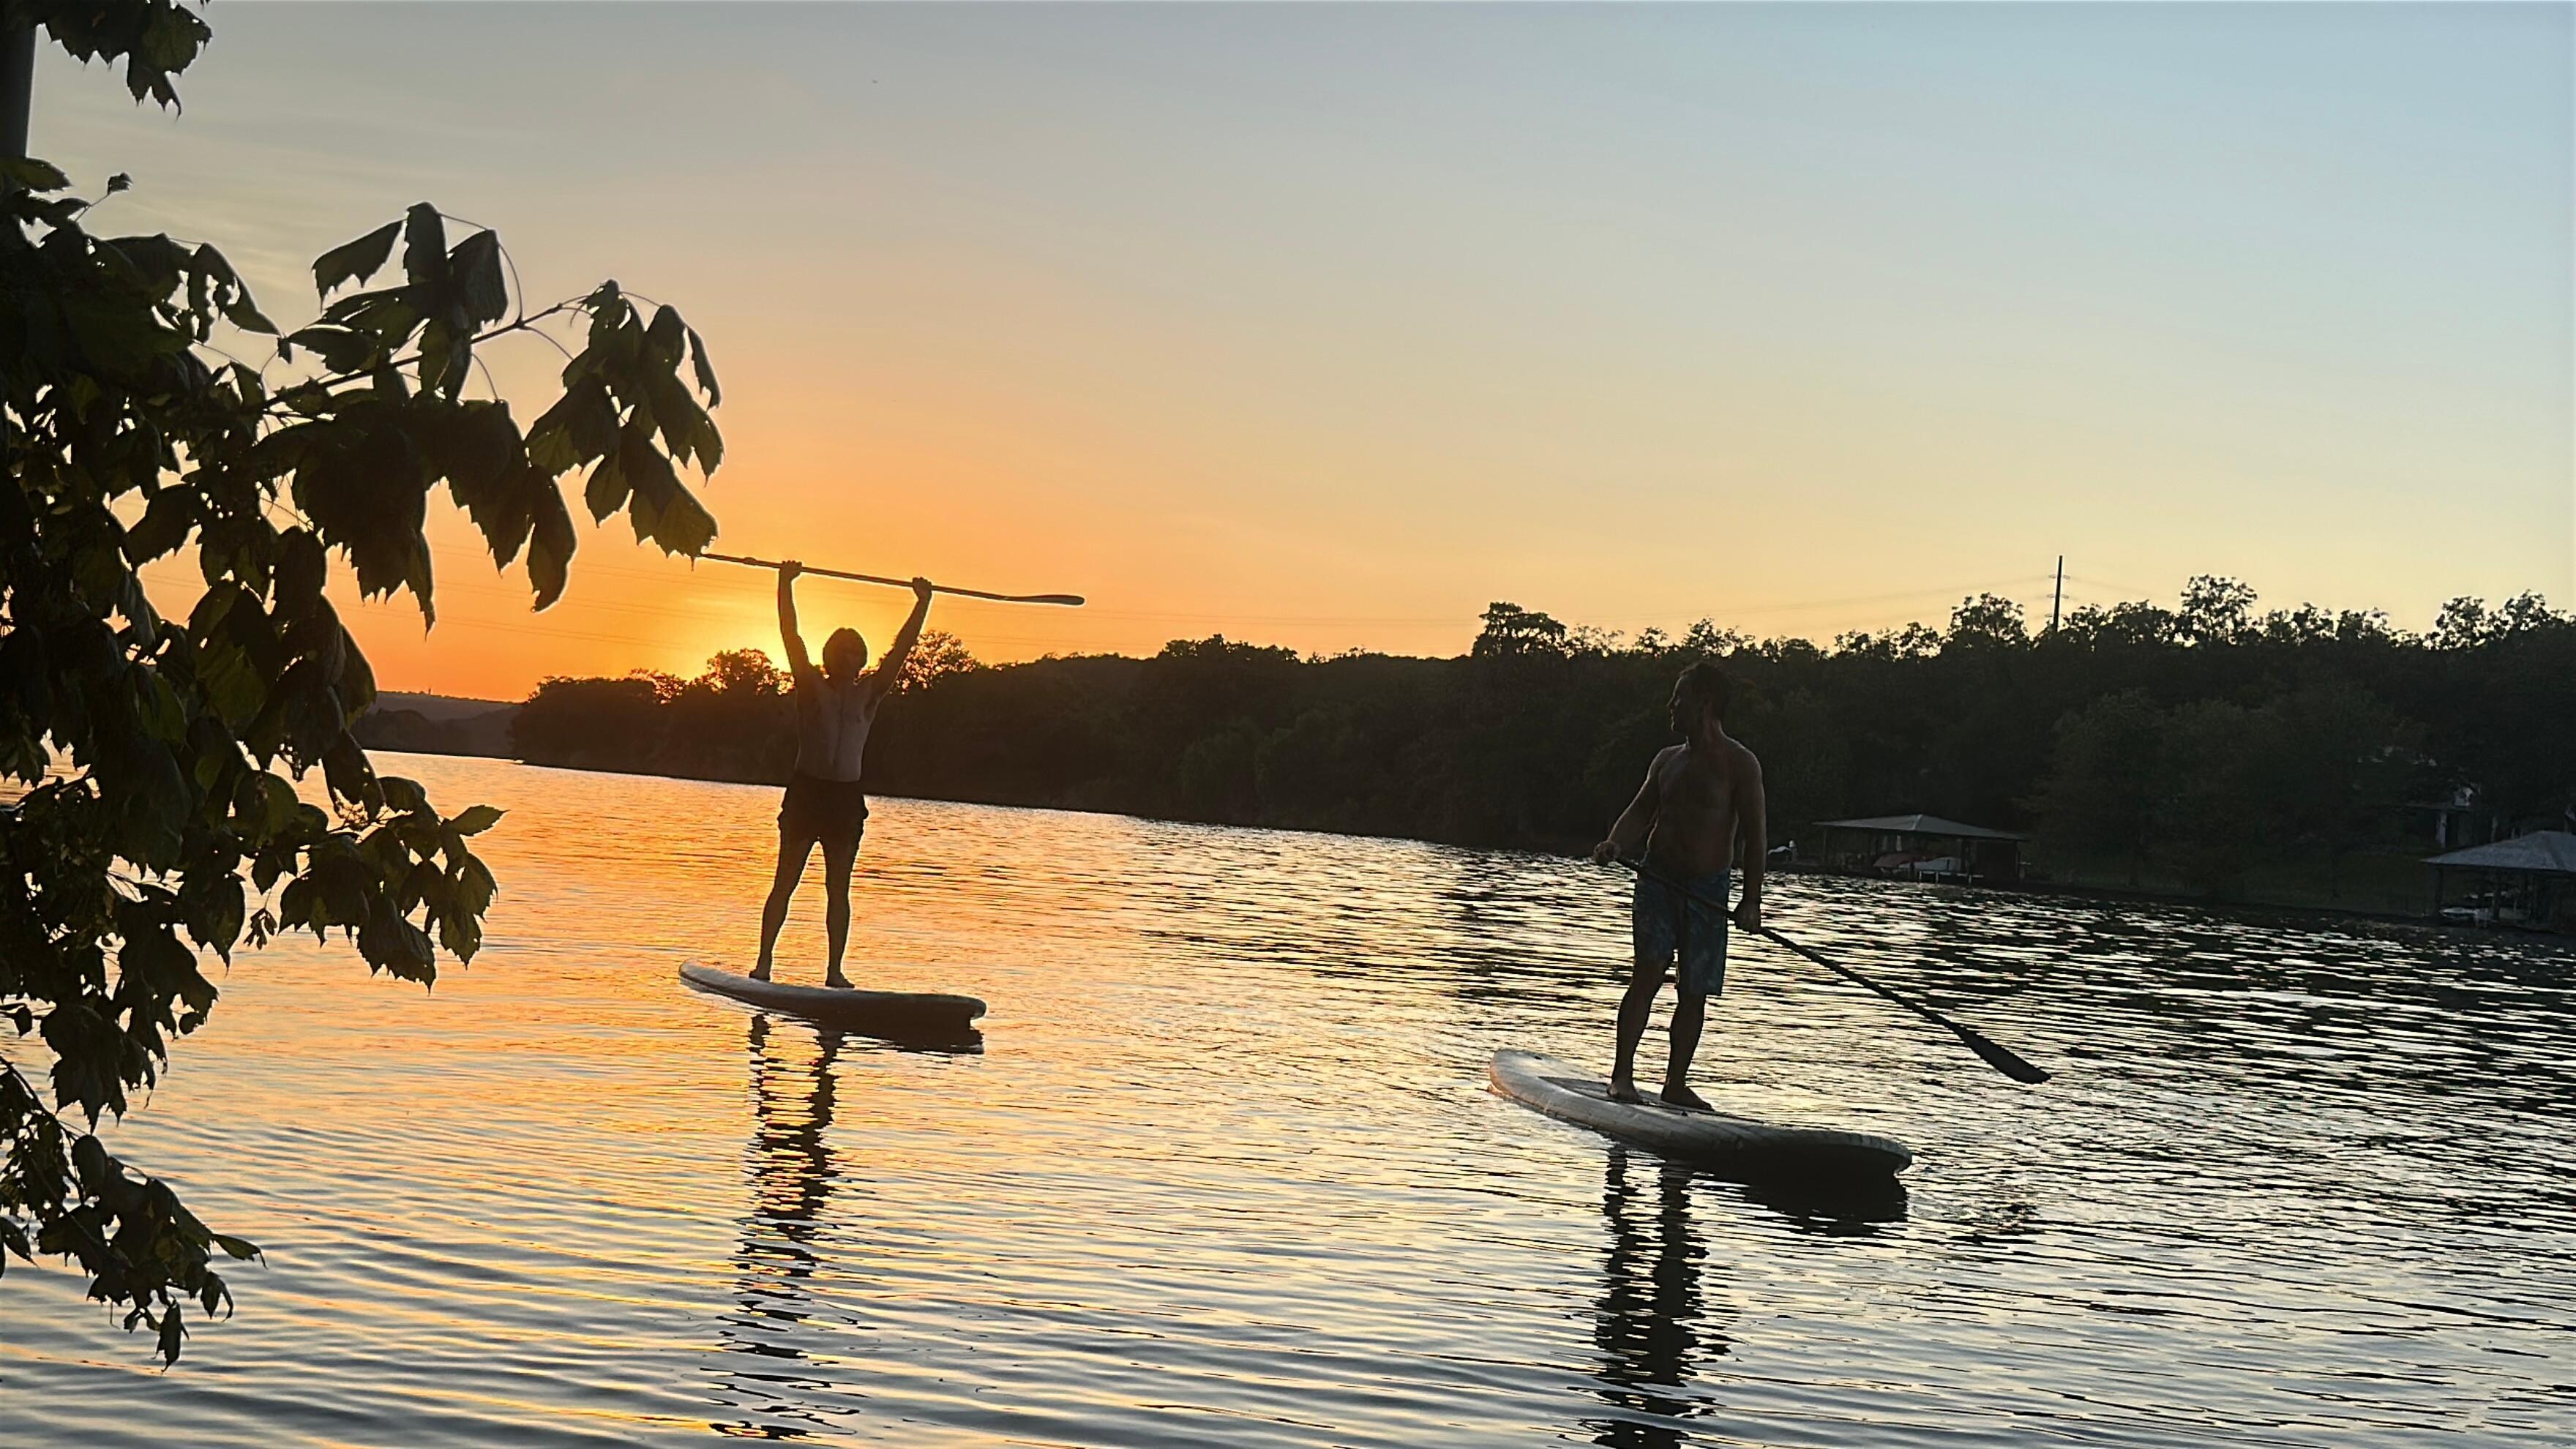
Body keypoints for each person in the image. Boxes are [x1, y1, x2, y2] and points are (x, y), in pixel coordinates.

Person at [1589, 660, 1766, 1110]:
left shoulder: (1740, 765)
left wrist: (1751, 901)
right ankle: (1622, 1075)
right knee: (1647, 972)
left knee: (1694, 989)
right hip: (1658, 881)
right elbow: (1638, 811)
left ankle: (1675, 1083)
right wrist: (1614, 841)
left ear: (1703, 704)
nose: (1671, 706)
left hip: (1707, 890)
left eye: (1678, 697)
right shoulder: (1667, 761)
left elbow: (1756, 838)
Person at [752, 561, 933, 986]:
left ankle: (835, 972)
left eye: (856, 653)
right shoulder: (811, 685)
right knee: (786, 883)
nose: (850, 658)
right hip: (807, 794)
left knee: (838, 889)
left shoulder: (871, 693)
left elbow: (901, 651)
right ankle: (763, 963)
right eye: (843, 652)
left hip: (845, 800)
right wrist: (784, 584)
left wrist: (922, 604)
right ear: (832, 656)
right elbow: (790, 636)